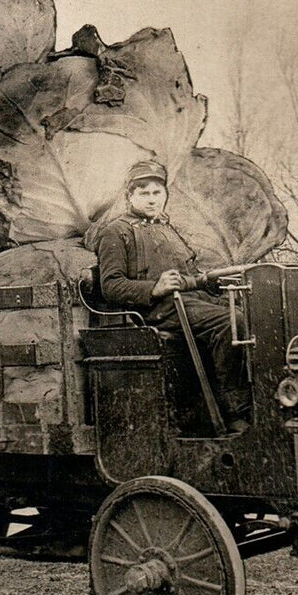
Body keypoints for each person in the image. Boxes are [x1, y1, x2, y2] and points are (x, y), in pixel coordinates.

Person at [94, 160, 252, 433]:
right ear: (129, 196)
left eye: (157, 193)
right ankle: (235, 412)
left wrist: (208, 281)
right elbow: (111, 285)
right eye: (143, 193)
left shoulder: (168, 230)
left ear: (165, 195)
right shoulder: (116, 233)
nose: (152, 199)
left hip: (187, 301)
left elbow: (187, 276)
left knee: (253, 311)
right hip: (154, 310)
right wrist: (153, 289)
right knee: (230, 322)